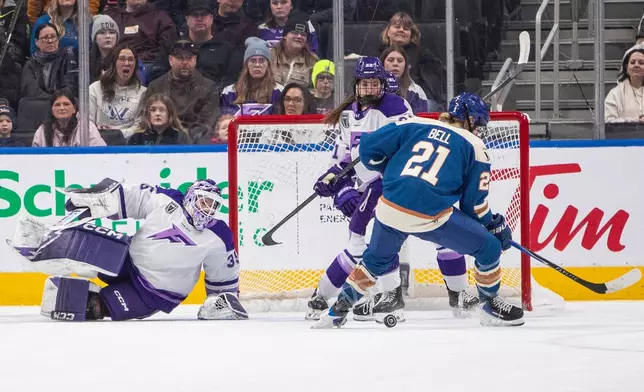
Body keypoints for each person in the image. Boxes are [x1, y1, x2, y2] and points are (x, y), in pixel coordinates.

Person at [313, 93, 524, 329]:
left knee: (374, 261)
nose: (480, 131)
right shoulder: (475, 146)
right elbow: (473, 206)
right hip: (429, 215)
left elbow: (367, 147)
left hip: (389, 206)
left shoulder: (415, 123)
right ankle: (489, 306)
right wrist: (495, 224)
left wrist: (390, 169)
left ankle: (336, 311)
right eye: (480, 125)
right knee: (489, 248)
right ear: (470, 120)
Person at [16, 178, 248, 322]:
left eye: (213, 205)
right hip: (125, 261)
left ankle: (65, 296)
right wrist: (99, 200)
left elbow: (223, 274)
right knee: (82, 248)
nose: (206, 209)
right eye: (203, 201)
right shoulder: (168, 200)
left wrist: (222, 301)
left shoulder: (219, 236)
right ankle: (36, 242)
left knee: (94, 308)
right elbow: (134, 197)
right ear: (191, 198)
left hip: (155, 294)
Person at [305, 56, 415, 321]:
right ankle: (338, 295)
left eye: (373, 84)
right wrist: (335, 181)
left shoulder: (394, 106)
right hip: (368, 185)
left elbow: (409, 144)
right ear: (356, 85)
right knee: (359, 242)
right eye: (363, 85)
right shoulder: (347, 114)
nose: (368, 90)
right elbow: (343, 155)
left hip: (390, 183)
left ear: (381, 85)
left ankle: (389, 296)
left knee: (371, 238)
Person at [142, 39, 220, 142]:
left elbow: (208, 124)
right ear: (170, 60)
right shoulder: (155, 86)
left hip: (196, 143)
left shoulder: (209, 87)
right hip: (162, 141)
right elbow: (147, 119)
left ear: (195, 60)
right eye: (179, 58)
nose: (184, 62)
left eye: (188, 58)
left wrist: (183, 138)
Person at [89, 44, 147, 139]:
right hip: (97, 141)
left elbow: (139, 126)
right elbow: (87, 122)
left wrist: (117, 134)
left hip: (128, 145)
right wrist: (98, 134)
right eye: (122, 59)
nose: (127, 63)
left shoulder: (143, 92)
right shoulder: (94, 89)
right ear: (113, 63)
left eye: (131, 60)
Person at [220, 37, 283, 116]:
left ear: (268, 65)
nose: (257, 65)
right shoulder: (229, 93)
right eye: (253, 61)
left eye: (262, 61)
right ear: (246, 65)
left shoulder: (279, 92)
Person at [21, 23, 79, 99]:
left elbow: (71, 85)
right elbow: (30, 90)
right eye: (45, 38)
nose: (50, 41)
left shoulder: (68, 56)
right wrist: (52, 101)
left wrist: (58, 101)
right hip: (39, 104)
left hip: (64, 103)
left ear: (58, 40)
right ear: (36, 42)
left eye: (53, 37)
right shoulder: (31, 64)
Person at [32, 88, 106, 147]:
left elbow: (100, 155)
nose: (62, 108)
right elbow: (34, 159)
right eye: (57, 105)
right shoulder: (42, 130)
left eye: (66, 104)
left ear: (74, 109)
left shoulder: (87, 127)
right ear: (52, 110)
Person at [269, 10, 318, 88]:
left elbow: (314, 91)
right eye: (295, 33)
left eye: (303, 34)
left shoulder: (312, 61)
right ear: (285, 35)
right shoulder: (270, 56)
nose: (299, 36)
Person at [381, 46, 432, 113]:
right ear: (382, 64)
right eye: (390, 60)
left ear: (406, 66)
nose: (395, 64)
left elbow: (420, 121)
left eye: (400, 61)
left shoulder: (416, 91)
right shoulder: (373, 89)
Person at [605, 44, 644, 122]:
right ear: (626, 68)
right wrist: (637, 121)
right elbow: (608, 121)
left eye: (641, 63)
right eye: (632, 62)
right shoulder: (615, 94)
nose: (636, 65)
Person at [89, 14, 120, 82]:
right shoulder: (87, 60)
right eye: (102, 33)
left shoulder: (125, 57)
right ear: (95, 39)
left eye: (112, 32)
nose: (108, 36)